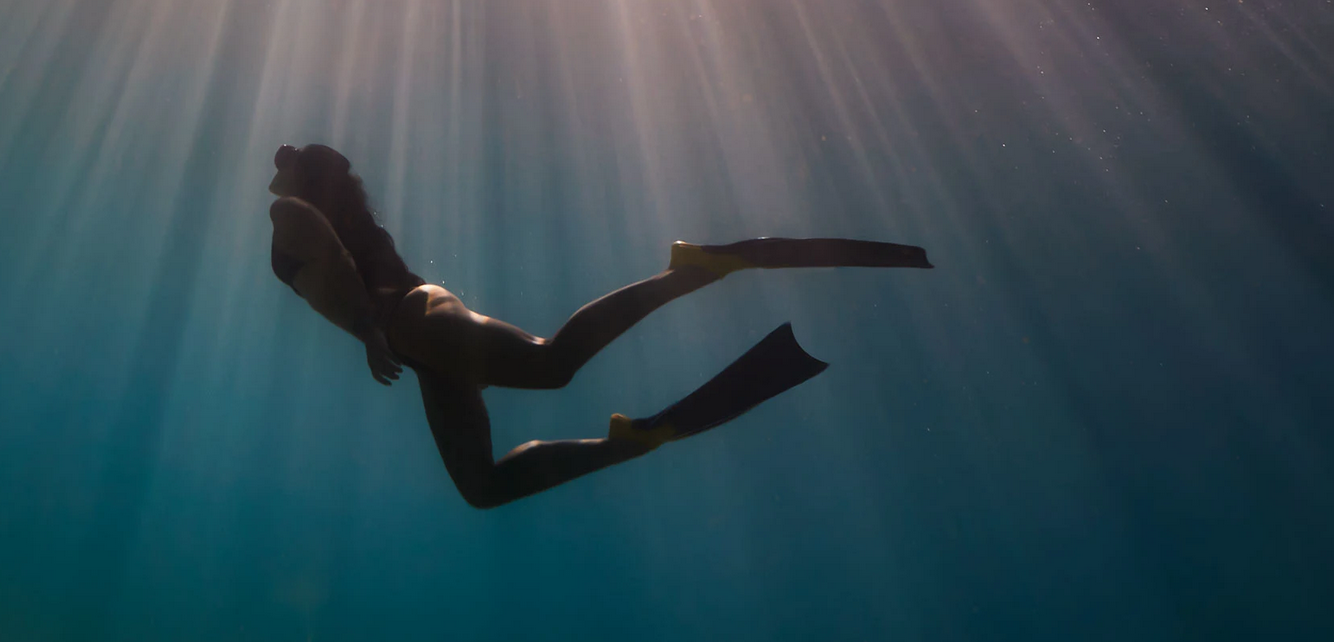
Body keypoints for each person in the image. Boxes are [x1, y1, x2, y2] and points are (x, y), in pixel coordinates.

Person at [269, 144, 931, 509]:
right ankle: (629, 442)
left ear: (305, 178)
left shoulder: (290, 215)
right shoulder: (330, 213)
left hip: (408, 320)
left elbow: (327, 251)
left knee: (550, 365)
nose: (277, 166)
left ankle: (692, 271)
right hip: (418, 340)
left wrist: (369, 331)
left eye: (288, 161)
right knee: (482, 487)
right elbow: (338, 256)